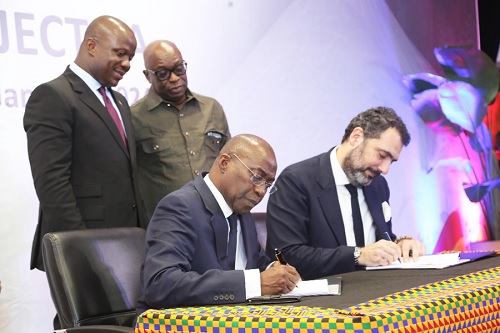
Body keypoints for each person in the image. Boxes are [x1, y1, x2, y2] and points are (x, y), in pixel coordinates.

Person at [24, 15, 146, 273]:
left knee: (124, 315)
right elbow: (51, 183)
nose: (126, 64)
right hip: (84, 244)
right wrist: (83, 247)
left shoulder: (120, 102)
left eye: (131, 58)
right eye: (121, 53)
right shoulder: (53, 96)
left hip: (128, 241)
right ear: (91, 46)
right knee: (82, 316)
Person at [136, 134, 300, 314]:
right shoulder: (179, 206)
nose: (261, 191)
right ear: (224, 163)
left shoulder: (241, 208)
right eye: (256, 177)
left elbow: (253, 262)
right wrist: (255, 284)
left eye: (268, 184)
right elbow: (161, 284)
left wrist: (276, 272)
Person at [265, 107, 426, 280]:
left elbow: (381, 240)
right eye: (381, 155)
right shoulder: (296, 181)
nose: (385, 169)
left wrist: (401, 245)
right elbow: (286, 256)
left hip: (375, 291)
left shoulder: (378, 185)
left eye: (391, 162)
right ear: (356, 137)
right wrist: (357, 255)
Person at [131, 40, 231, 221]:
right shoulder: (134, 118)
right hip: (168, 225)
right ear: (147, 75)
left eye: (179, 69)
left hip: (216, 219)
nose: (174, 78)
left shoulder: (212, 109)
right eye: (163, 74)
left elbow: (229, 165)